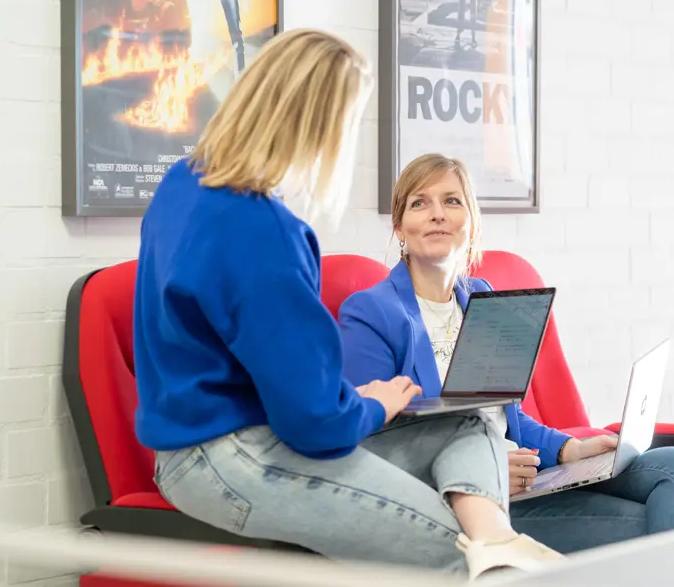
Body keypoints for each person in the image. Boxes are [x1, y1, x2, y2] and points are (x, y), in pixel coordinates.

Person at [132, 29, 566, 581]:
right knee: (462, 558)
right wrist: (374, 405)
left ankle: (499, 540)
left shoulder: (181, 185)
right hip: (231, 459)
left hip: (218, 445)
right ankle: (499, 556)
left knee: (467, 423)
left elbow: (273, 375)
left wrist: (352, 402)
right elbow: (315, 424)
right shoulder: (265, 233)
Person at [338, 152, 674, 554]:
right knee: (653, 523)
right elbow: (368, 448)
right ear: (399, 227)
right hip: (464, 505)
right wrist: (477, 470)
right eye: (420, 203)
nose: (437, 214)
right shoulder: (372, 312)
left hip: (525, 480)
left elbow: (507, 415)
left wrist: (570, 450)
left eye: (452, 201)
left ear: (471, 221)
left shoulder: (482, 298)